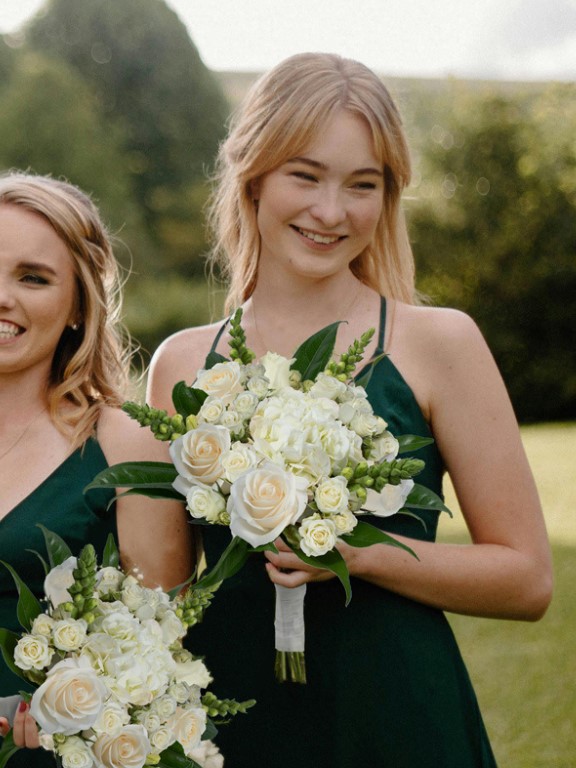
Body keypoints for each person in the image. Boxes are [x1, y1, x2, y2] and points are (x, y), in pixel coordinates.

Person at [146, 53, 553, 767]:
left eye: (362, 185)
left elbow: (526, 580)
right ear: (254, 174)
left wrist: (357, 556)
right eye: (305, 176)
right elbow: (166, 597)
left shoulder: (441, 345)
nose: (331, 212)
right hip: (234, 726)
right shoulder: (181, 366)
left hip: (399, 718)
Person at [0, 172, 193, 766]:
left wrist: (63, 706)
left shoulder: (124, 444)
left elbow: (163, 647)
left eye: (33, 278)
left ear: (80, 305)